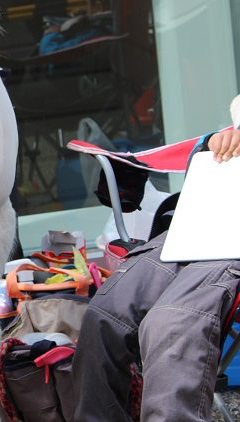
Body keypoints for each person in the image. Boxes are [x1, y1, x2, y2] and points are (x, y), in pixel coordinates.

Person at [72, 99, 240, 421]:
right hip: (202, 222)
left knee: (171, 322)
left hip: (233, 244)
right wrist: (219, 142)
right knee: (104, 315)